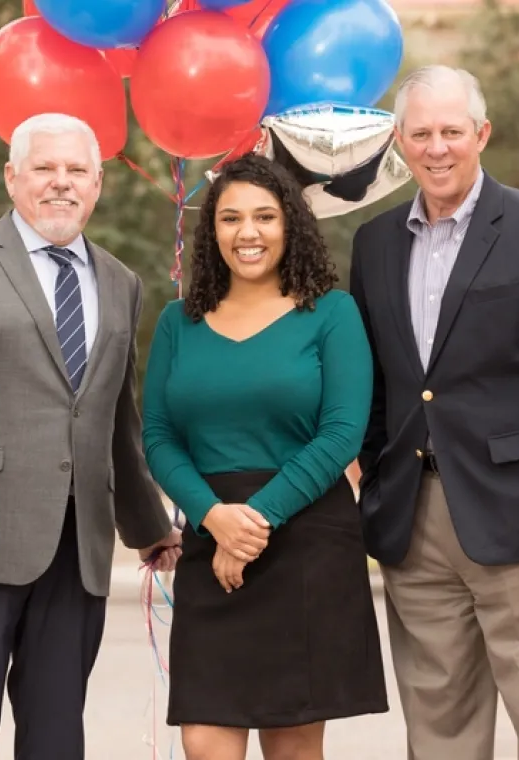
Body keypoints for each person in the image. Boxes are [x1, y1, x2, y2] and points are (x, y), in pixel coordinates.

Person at [0, 112, 182, 760]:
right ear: (13, 178)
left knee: (56, 737)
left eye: (77, 170)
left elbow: (114, 418)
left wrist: (147, 525)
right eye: (44, 168)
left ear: (98, 184)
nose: (61, 183)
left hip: (78, 550)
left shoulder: (120, 281)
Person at [349, 65, 519, 760]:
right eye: (422, 133)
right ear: (399, 142)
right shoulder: (374, 244)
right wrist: (370, 481)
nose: (437, 148)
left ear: (482, 134)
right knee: (438, 735)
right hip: (415, 522)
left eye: (452, 132)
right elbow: (377, 383)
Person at [142, 153, 388, 760]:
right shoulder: (179, 322)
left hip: (305, 545)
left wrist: (251, 522)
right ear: (213, 230)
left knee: (294, 747)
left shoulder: (332, 313)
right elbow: (158, 437)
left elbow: (340, 434)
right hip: (211, 538)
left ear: (290, 225)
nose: (247, 232)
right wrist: (214, 518)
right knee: (204, 741)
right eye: (229, 219)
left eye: (264, 217)